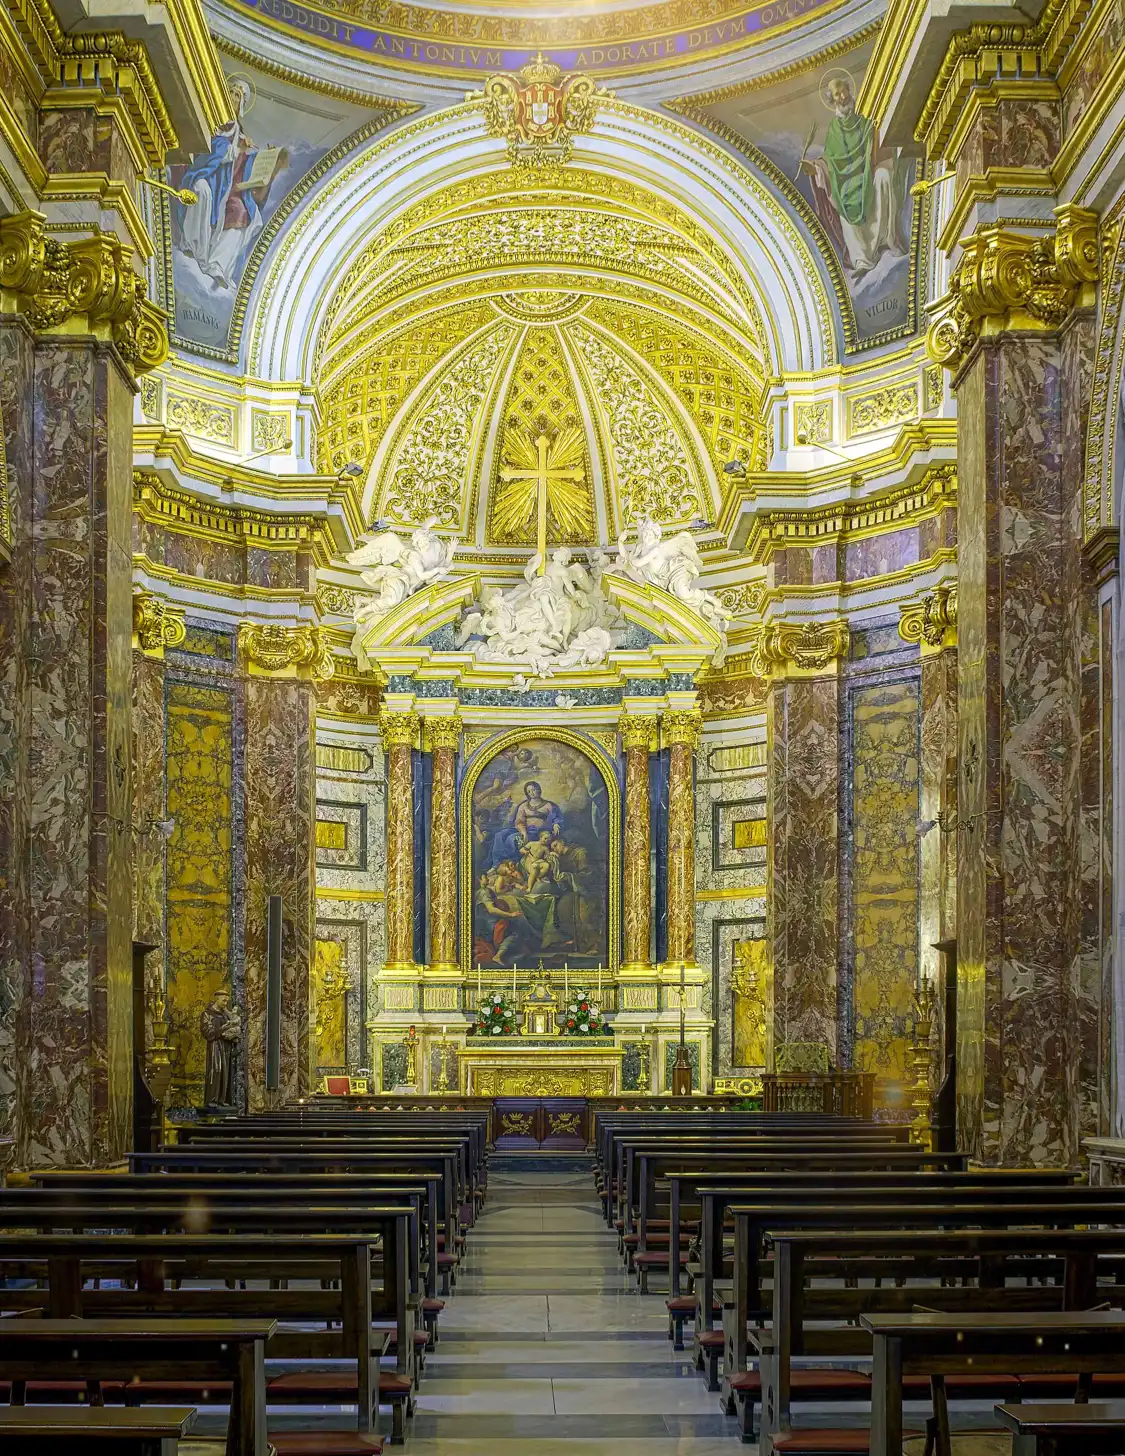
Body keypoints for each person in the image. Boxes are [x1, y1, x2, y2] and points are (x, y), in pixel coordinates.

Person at [800, 73, 906, 278]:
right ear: (832, 101)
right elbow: (829, 158)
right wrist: (815, 168)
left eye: (843, 91)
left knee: (884, 175)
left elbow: (877, 141)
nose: (842, 97)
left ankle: (889, 239)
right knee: (842, 204)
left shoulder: (865, 119)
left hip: (869, 173)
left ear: (849, 91)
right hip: (847, 184)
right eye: (836, 95)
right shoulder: (833, 130)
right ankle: (862, 259)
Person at [200, 989, 239, 1107]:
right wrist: (222, 1029)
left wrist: (234, 1035)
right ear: (216, 999)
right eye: (223, 1001)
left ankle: (222, 1099)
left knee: (225, 1072)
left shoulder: (225, 1015)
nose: (225, 1003)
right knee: (216, 1071)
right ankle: (212, 1100)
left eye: (227, 1001)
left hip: (226, 1046)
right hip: (215, 1046)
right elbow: (207, 1032)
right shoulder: (207, 1014)